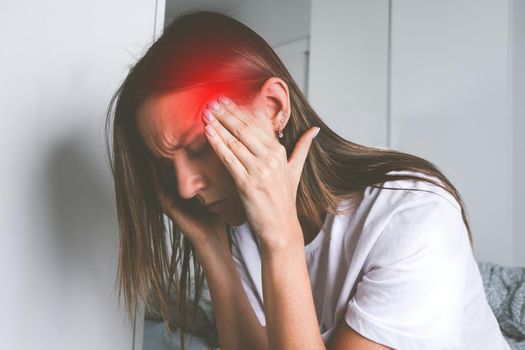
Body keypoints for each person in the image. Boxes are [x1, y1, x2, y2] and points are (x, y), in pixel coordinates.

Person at [104, 10, 511, 350]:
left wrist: (281, 239)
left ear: (275, 108)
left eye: (198, 147)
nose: (185, 187)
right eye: (165, 164)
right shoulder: (239, 224)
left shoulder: (415, 218)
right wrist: (211, 247)